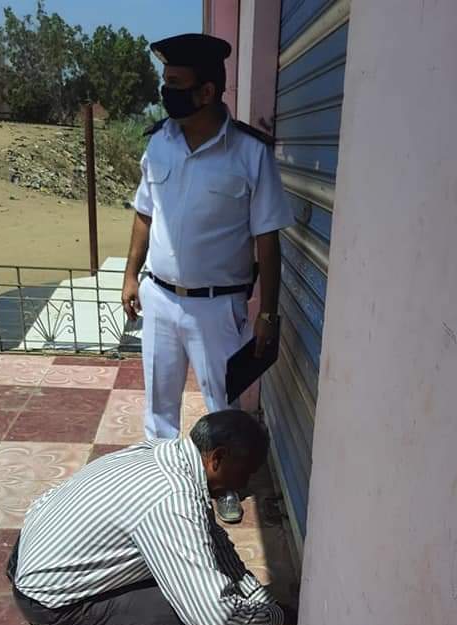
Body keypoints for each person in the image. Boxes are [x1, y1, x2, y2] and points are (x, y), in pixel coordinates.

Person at [121, 32, 294, 524]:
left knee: (222, 404)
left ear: (207, 91)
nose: (165, 92)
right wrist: (131, 276)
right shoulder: (159, 144)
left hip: (218, 306)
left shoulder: (249, 154)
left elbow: (268, 241)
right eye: (165, 81)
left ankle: (226, 486)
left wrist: (268, 313)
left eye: (175, 83)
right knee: (159, 401)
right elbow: (143, 215)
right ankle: (159, 480)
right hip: (159, 296)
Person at [7, 411, 297, 625]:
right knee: (199, 624)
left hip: (30, 555)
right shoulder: (174, 499)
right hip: (46, 598)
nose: (243, 487)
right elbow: (216, 620)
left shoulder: (164, 452)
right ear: (217, 458)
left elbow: (213, 541)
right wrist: (272, 620)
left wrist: (262, 600)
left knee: (205, 580)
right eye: (244, 473)